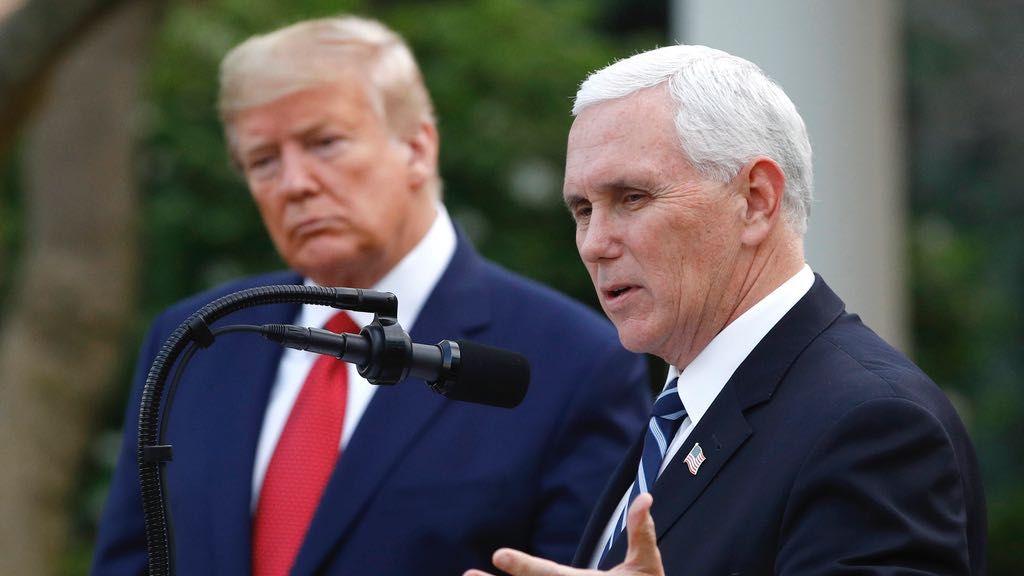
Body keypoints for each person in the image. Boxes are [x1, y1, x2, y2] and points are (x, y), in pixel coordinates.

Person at [92, 16, 652, 576]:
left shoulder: (572, 360)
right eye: (263, 161)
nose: (294, 183)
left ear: (416, 147)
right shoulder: (197, 338)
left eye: (324, 143)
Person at [468, 44, 987, 576]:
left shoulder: (876, 424)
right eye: (582, 209)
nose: (595, 243)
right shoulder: (678, 414)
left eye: (632, 198)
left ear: (756, 199)